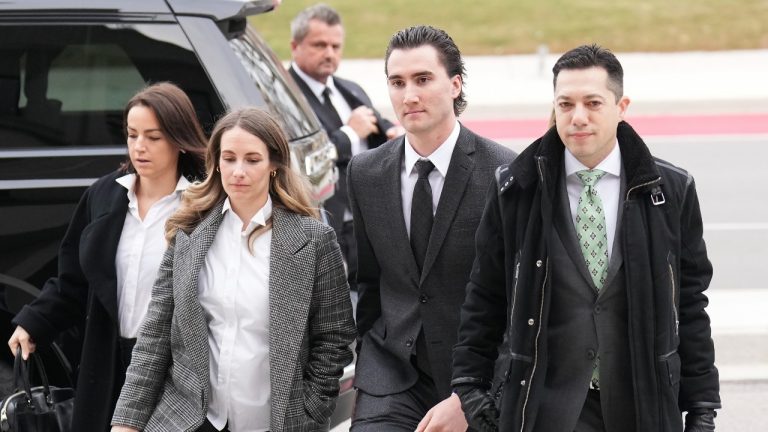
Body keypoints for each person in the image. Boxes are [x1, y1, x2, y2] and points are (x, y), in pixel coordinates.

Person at [452, 44, 720, 432]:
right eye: (565, 105)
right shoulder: (515, 189)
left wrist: (702, 407)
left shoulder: (671, 191)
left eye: (593, 103)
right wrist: (470, 389)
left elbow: (690, 305)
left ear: (621, 106)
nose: (578, 117)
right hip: (544, 410)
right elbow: (484, 296)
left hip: (640, 406)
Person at [110, 108, 356, 432]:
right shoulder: (188, 232)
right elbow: (155, 335)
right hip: (193, 420)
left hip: (277, 422)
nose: (238, 171)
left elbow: (335, 338)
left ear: (274, 165)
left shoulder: (314, 241)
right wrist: (126, 422)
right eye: (229, 158)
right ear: (216, 163)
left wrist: (310, 409)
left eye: (252, 159)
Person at [7, 82, 208, 431]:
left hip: (178, 367)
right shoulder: (104, 196)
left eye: (153, 137)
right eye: (132, 135)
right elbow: (75, 280)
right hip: (108, 361)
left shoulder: (202, 205)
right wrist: (34, 320)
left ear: (179, 139)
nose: (139, 147)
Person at [347, 26, 516, 431]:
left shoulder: (504, 173)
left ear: (455, 85)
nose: (409, 96)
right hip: (392, 374)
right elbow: (368, 281)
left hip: (478, 376)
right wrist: (368, 354)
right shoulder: (365, 173)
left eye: (423, 80)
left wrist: (476, 393)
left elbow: (520, 304)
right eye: (397, 82)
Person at [288, 3, 404, 293]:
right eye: (319, 44)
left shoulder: (348, 88)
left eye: (335, 46)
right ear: (295, 46)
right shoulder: (286, 95)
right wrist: (349, 133)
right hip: (326, 225)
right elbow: (300, 158)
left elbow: (378, 123)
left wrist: (393, 133)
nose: (329, 53)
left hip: (370, 223)